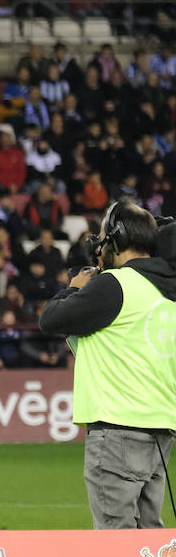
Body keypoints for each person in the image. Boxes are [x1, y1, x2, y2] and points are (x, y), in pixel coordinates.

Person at [38, 201, 176, 529]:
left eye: (101, 237)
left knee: (115, 541)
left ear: (117, 239)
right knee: (148, 540)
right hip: (160, 429)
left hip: (117, 430)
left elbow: (50, 319)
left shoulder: (115, 285)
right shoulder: (167, 290)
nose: (97, 247)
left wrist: (73, 288)